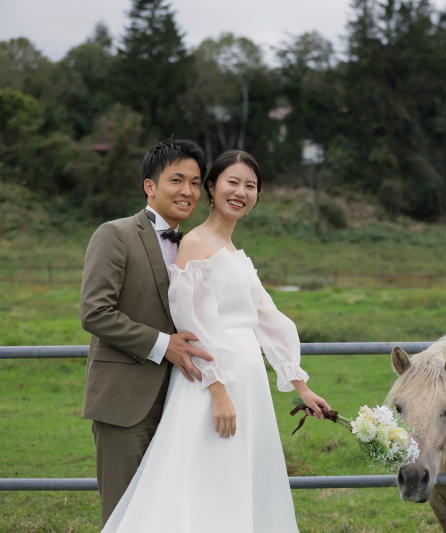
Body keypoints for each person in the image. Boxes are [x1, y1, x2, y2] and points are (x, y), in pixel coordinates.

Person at [100, 150, 329, 533]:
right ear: (212, 188)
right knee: (207, 479)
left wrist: (301, 386)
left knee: (240, 478)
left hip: (248, 381)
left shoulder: (236, 253)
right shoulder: (195, 244)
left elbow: (268, 319)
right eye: (232, 182)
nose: (240, 192)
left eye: (250, 186)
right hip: (213, 383)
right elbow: (195, 325)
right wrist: (219, 389)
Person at [80, 139, 217, 525]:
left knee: (170, 514)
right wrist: (163, 345)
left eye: (195, 182)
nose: (187, 191)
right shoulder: (115, 234)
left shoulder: (197, 245)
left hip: (182, 402)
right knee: (124, 516)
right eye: (176, 180)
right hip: (125, 402)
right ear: (150, 186)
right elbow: (94, 312)